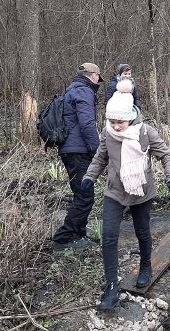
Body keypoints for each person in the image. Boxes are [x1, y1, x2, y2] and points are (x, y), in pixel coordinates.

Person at [82, 80, 170, 311]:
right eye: (112, 121)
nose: (116, 126)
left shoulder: (145, 132)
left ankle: (145, 265)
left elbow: (166, 156)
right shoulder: (108, 134)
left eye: (120, 121)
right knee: (108, 236)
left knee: (142, 232)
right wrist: (89, 178)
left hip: (141, 192)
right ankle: (111, 286)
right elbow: (99, 158)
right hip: (115, 191)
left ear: (131, 116)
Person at [53, 62, 104, 251]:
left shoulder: (72, 89)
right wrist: (98, 150)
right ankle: (64, 238)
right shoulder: (84, 91)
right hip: (78, 151)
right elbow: (87, 124)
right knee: (85, 195)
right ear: (93, 76)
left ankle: (78, 235)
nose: (99, 80)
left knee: (81, 194)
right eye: (99, 77)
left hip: (70, 149)